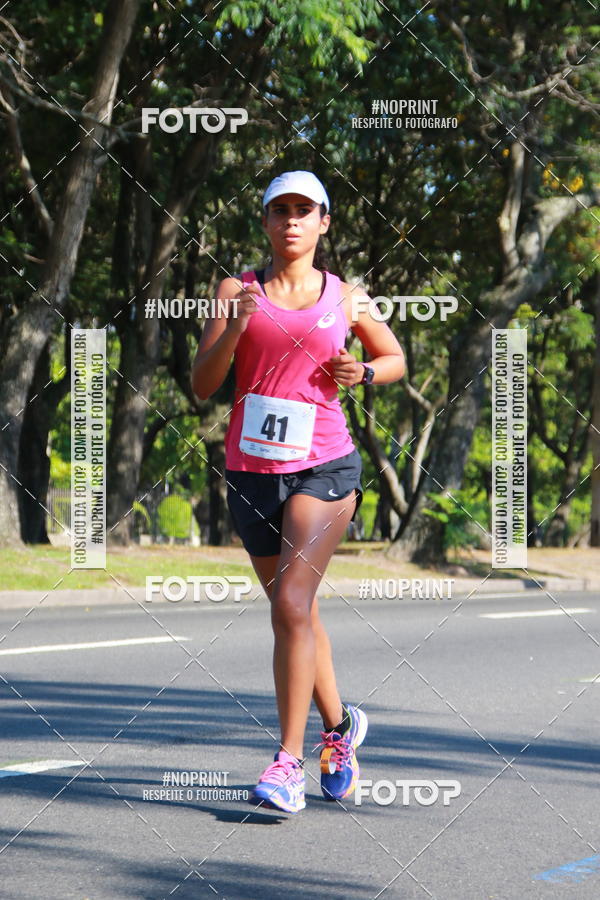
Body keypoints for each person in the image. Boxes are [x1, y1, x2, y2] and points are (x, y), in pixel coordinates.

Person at [191, 171, 405, 813]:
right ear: (263, 221)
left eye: (303, 210)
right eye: (279, 210)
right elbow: (203, 384)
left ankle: (287, 764)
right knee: (299, 614)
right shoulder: (235, 290)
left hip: (325, 466)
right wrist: (235, 329)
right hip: (253, 471)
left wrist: (362, 370)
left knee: (289, 600)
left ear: (323, 223)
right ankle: (340, 728)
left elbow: (394, 358)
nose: (290, 220)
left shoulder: (347, 296)